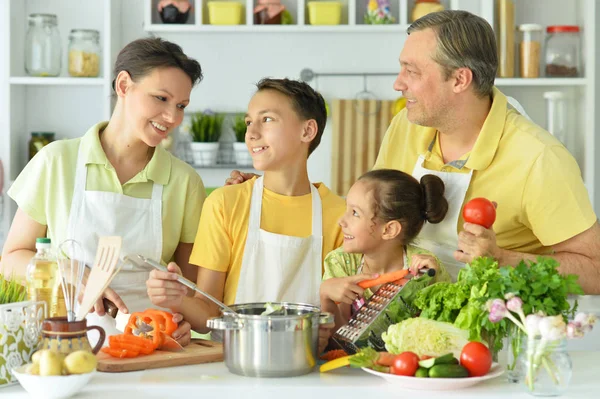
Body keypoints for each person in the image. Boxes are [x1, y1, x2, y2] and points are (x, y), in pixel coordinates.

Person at [229, 10, 600, 294]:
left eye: (412, 71)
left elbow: (594, 270)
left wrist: (504, 260)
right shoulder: (405, 127)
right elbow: (372, 217)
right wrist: (273, 190)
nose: (397, 83)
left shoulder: (539, 158)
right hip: (407, 331)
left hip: (496, 341)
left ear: (459, 79)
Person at [1, 37, 206, 344]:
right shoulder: (57, 161)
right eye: (161, 98)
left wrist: (181, 323)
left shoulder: (185, 181)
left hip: (149, 353)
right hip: (64, 344)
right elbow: (11, 260)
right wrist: (64, 270)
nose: (173, 118)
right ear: (124, 85)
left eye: (181, 106)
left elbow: (192, 291)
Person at [146, 78, 345, 351]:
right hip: (233, 366)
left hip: (309, 367)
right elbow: (209, 313)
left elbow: (344, 313)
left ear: (307, 130)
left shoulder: (340, 215)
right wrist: (175, 298)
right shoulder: (225, 203)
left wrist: (329, 330)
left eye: (268, 119)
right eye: (249, 121)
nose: (251, 133)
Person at [320, 169, 452, 330]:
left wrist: (432, 283)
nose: (341, 221)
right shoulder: (340, 262)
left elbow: (445, 326)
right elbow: (336, 339)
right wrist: (326, 295)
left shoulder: (425, 266)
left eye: (355, 213)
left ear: (389, 230)